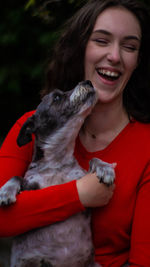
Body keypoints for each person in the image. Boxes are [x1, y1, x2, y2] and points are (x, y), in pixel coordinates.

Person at [0, 0, 150, 266]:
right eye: (102, 40)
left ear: (138, 60)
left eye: (129, 46)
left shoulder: (146, 145)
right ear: (81, 48)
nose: (114, 56)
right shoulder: (35, 126)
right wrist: (79, 194)